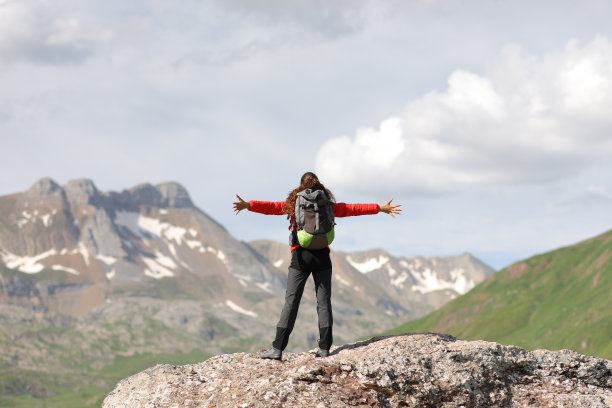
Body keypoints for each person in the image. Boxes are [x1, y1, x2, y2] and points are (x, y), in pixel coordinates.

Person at [233, 172, 401, 361]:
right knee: (323, 302)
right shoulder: (327, 205)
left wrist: (248, 205)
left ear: (300, 187)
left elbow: (271, 207)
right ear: (320, 185)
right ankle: (324, 349)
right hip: (322, 257)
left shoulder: (293, 203)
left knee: (291, 302)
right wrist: (379, 208)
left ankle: (277, 349)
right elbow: (353, 208)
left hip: (300, 257)